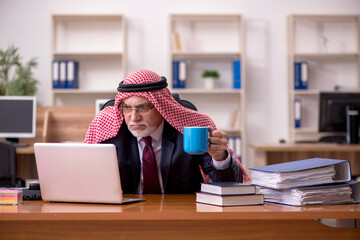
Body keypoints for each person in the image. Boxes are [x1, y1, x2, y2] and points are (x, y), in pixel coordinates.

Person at [84, 69, 250, 193]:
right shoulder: (109, 131)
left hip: (183, 215)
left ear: (162, 106)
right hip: (124, 216)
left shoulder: (190, 129)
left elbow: (230, 186)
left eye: (142, 108)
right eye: (127, 108)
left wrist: (220, 157)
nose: (134, 117)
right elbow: (86, 179)